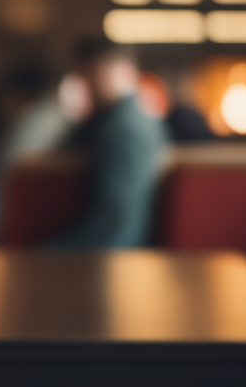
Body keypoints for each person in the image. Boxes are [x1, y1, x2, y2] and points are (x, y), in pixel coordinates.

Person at [47, 41, 167, 249]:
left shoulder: (124, 128)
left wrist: (46, 255)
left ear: (118, 70)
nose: (84, 85)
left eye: (90, 75)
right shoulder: (128, 118)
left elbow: (116, 224)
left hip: (113, 258)